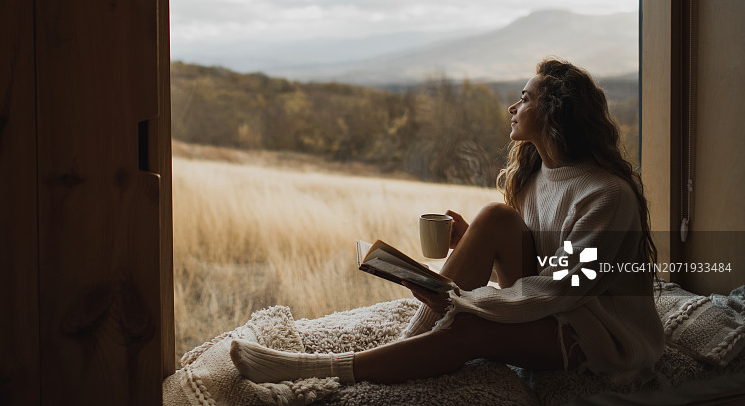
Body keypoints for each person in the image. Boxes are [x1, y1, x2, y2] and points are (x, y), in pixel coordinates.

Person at [230, 58, 664, 384]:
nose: (513, 106)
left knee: (470, 327)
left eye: (526, 98)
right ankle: (408, 344)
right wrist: (470, 244)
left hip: (598, 329)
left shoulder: (606, 195)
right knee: (494, 217)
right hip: (559, 306)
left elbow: (565, 286)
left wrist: (466, 302)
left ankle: (323, 370)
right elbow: (537, 257)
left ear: (554, 112)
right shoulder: (538, 175)